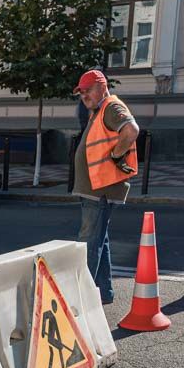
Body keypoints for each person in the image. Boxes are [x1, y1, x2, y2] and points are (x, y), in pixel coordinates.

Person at [71, 69, 140, 305]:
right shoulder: (99, 111)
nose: (84, 96)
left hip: (100, 189)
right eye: (81, 92)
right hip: (96, 188)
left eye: (88, 90)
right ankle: (103, 292)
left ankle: (82, 297)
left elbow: (131, 131)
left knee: (88, 242)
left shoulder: (111, 107)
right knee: (100, 240)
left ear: (102, 86)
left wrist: (117, 154)